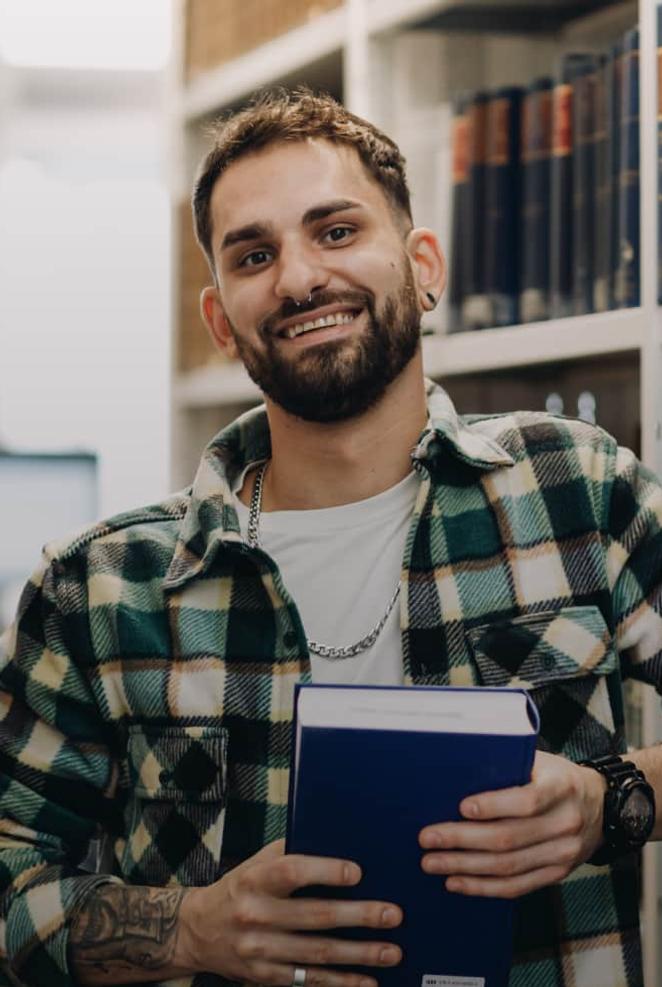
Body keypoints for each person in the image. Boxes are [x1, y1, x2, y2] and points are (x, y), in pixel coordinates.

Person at [0, 87, 660, 987]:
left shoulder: (582, 490)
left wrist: (613, 799)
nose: (300, 276)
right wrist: (189, 927)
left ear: (424, 265)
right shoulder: (100, 589)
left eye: (337, 231)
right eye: (255, 253)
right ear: (221, 321)